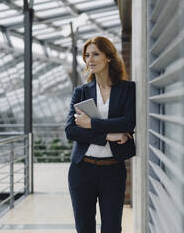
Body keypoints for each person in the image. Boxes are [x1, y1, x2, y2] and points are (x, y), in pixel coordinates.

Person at [65, 36, 136, 233]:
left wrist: (92, 124)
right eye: (87, 55)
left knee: (112, 228)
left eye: (96, 54)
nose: (90, 60)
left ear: (109, 57)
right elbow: (71, 130)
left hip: (113, 171)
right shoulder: (81, 92)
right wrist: (107, 135)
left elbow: (128, 122)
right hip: (82, 171)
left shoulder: (127, 89)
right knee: (84, 228)